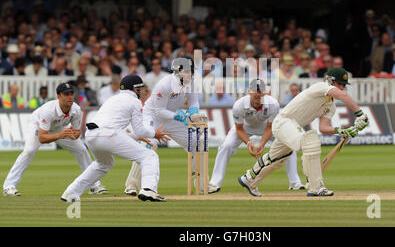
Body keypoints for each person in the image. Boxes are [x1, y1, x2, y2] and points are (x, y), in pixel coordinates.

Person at [237, 67, 369, 197]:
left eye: (343, 85)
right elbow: (343, 95)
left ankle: (249, 179)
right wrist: (359, 113)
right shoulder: (321, 86)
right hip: (284, 122)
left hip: (292, 128)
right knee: (310, 142)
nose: (341, 87)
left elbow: (323, 127)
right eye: (339, 83)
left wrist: (341, 131)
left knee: (276, 159)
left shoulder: (331, 106)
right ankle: (316, 186)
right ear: (331, 80)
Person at [61, 75, 170, 202]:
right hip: (108, 134)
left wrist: (137, 136)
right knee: (149, 156)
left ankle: (70, 193)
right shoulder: (134, 101)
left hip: (91, 135)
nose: (142, 91)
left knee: (103, 164)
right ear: (134, 89)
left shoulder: (113, 99)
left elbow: (111, 129)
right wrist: (153, 134)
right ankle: (148, 190)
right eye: (140, 88)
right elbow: (138, 130)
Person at [3, 83, 107, 197]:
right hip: (38, 125)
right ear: (59, 96)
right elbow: (42, 138)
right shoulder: (48, 111)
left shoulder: (76, 109)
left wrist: (73, 136)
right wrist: (60, 135)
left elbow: (77, 132)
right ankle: (9, 186)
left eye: (71, 93)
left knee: (81, 149)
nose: (70, 97)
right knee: (29, 151)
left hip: (59, 128)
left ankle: (94, 185)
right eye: (66, 94)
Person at [124, 56, 208, 195]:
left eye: (190, 71)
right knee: (149, 145)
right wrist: (182, 117)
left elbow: (193, 101)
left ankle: (201, 184)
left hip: (172, 117)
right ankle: (132, 185)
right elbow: (159, 111)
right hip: (153, 116)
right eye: (185, 71)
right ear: (177, 71)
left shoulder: (193, 82)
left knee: (197, 141)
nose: (189, 74)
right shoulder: (164, 84)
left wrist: (194, 113)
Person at [208, 79, 302, 193]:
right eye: (255, 91)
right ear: (249, 92)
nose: (258, 94)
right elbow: (239, 128)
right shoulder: (239, 105)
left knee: (288, 145)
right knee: (226, 146)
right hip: (245, 127)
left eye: (260, 91)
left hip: (265, 126)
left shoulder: (273, 104)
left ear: (265, 92)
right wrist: (248, 143)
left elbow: (269, 127)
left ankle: (295, 183)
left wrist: (261, 144)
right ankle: (214, 183)